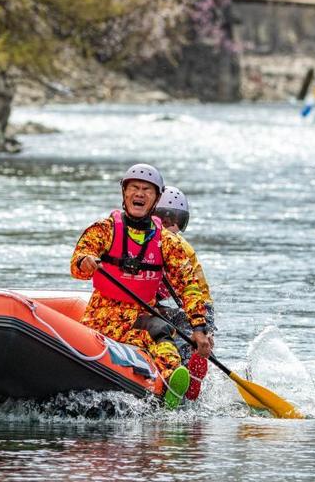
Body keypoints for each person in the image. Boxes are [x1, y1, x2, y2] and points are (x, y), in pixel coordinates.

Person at [70, 164, 213, 410]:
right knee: (156, 328)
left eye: (147, 190)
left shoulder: (167, 242)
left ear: (155, 199)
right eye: (134, 188)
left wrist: (199, 327)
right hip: (103, 313)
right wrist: (85, 262)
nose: (140, 194)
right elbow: (79, 259)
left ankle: (170, 392)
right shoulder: (104, 229)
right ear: (124, 194)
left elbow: (188, 286)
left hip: (142, 314)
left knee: (165, 340)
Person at [153, 186, 215, 400]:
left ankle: (183, 383)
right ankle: (186, 376)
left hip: (196, 309)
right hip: (179, 305)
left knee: (182, 345)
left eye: (178, 220)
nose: (173, 225)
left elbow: (187, 289)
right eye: (166, 218)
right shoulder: (151, 241)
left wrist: (201, 327)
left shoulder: (174, 246)